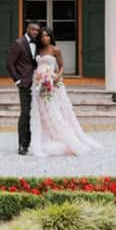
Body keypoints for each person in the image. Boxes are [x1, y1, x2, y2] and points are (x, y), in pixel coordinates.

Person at [28, 27, 100, 157]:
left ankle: (64, 137)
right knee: (42, 111)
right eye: (42, 36)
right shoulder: (38, 50)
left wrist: (57, 77)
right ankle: (45, 135)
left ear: (51, 37)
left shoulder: (55, 49)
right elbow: (36, 66)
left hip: (52, 82)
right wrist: (38, 78)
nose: (45, 38)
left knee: (54, 110)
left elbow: (61, 66)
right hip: (39, 84)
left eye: (47, 36)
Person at [6, 22, 40, 155]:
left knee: (37, 114)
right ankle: (22, 144)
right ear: (27, 29)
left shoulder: (38, 44)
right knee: (25, 113)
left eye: (37, 30)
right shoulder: (18, 43)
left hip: (39, 84)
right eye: (33, 29)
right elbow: (10, 63)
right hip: (25, 84)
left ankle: (35, 143)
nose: (35, 32)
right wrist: (18, 80)